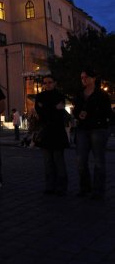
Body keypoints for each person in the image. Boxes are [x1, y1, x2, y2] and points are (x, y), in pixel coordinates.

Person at [73, 68, 112, 200]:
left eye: (86, 77)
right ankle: (85, 187)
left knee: (98, 160)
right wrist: (78, 114)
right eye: (82, 77)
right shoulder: (79, 94)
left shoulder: (101, 94)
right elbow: (75, 109)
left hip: (98, 128)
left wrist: (90, 114)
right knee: (80, 160)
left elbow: (107, 113)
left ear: (93, 78)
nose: (83, 80)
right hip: (83, 128)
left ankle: (98, 190)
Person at [34, 75, 69, 195]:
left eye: (49, 82)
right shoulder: (40, 96)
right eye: (45, 83)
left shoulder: (59, 95)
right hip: (46, 132)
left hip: (57, 132)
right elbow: (40, 113)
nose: (47, 84)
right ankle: (49, 186)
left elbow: (56, 114)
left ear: (55, 83)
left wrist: (46, 109)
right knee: (48, 161)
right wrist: (53, 108)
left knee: (58, 160)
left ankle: (61, 187)